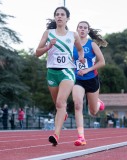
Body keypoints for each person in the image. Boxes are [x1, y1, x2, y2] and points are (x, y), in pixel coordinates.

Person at [35, 6, 85, 146]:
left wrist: (80, 58)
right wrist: (48, 47)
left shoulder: (73, 35)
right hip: (52, 72)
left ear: (67, 18)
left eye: (62, 14)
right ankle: (63, 112)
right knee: (58, 104)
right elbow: (37, 53)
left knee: (59, 103)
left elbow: (80, 49)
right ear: (55, 17)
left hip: (67, 72)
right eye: (57, 14)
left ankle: (56, 135)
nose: (59, 16)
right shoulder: (48, 33)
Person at [72, 21, 107, 146]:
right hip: (78, 80)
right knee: (78, 104)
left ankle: (98, 103)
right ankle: (81, 136)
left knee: (93, 112)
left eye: (85, 28)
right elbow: (71, 61)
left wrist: (87, 69)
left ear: (88, 31)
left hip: (92, 79)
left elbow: (102, 62)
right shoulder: (72, 45)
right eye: (80, 27)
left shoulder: (92, 44)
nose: (82, 29)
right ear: (77, 30)